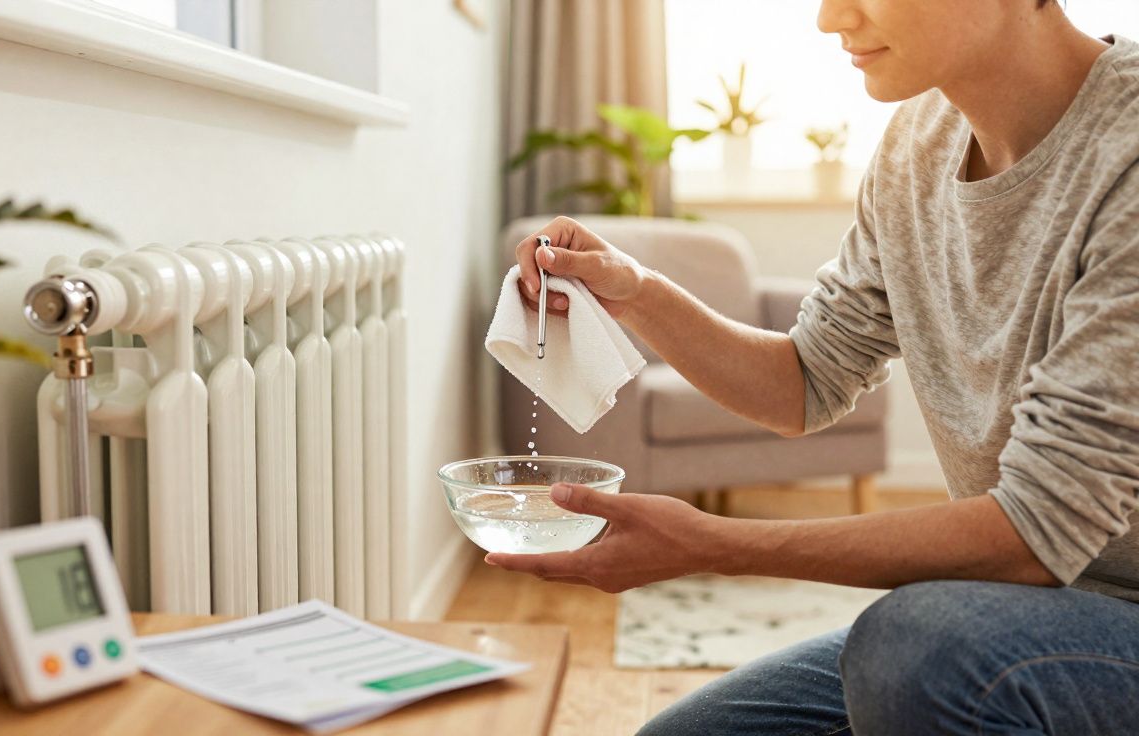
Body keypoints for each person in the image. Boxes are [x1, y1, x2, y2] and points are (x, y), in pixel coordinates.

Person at [488, 0, 1139, 733]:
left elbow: (1035, 532)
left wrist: (711, 546)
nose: (832, 19)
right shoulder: (915, 146)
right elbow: (804, 382)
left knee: (916, 644)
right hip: (1024, 618)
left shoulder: (1128, 150)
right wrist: (635, 292)